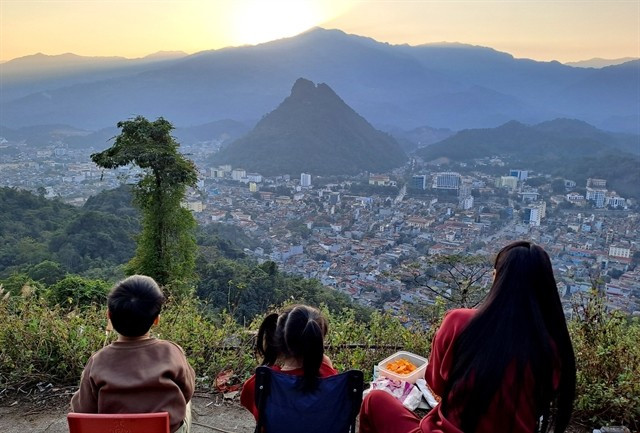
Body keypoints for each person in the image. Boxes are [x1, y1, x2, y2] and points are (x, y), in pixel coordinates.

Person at [359, 241, 576, 433]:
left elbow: (436, 384)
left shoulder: (460, 322)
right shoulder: (554, 348)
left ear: (496, 278)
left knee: (374, 401)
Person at [70, 275, 196, 433]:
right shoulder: (172, 352)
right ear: (156, 320)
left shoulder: (97, 361)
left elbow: (83, 410)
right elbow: (188, 391)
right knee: (187, 404)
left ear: (109, 315)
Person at [240, 304, 338, 420]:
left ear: (280, 340)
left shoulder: (260, 382)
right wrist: (325, 363)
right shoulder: (333, 382)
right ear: (318, 341)